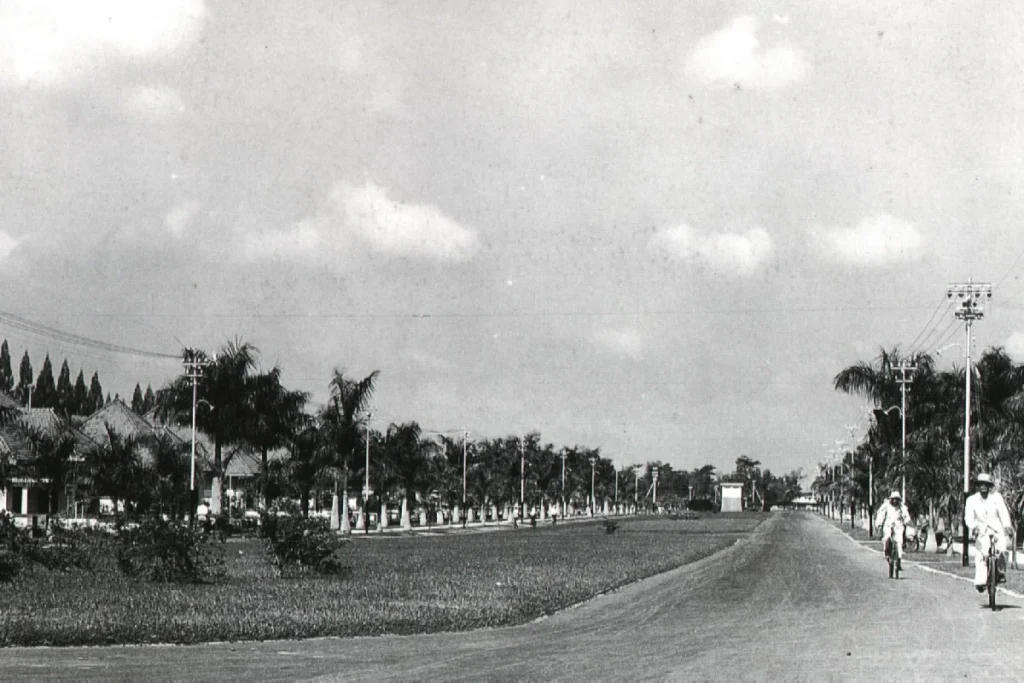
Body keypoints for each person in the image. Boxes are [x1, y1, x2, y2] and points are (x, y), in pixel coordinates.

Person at [965, 473, 1013, 593]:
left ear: (989, 486)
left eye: (986, 484)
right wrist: (973, 527)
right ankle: (981, 581)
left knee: (1003, 548)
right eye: (981, 484)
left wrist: (1007, 526)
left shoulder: (997, 498)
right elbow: (969, 518)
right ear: (978, 486)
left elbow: (1003, 513)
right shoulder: (971, 500)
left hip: (996, 529)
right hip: (981, 530)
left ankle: (1000, 572)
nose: (983, 487)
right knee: (981, 554)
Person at [874, 490, 912, 565]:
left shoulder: (902, 507)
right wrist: (879, 524)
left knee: (899, 542)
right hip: (888, 525)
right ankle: (887, 554)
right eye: (893, 499)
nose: (895, 501)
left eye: (896, 499)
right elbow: (881, 515)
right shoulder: (886, 506)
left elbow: (906, 516)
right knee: (887, 539)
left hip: (898, 526)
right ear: (891, 499)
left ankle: (898, 559)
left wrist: (907, 521)